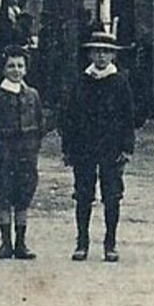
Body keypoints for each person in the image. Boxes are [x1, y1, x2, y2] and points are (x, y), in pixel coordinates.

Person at [59, 30, 136, 263]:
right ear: (90, 54)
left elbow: (128, 117)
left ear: (113, 56)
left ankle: (110, 243)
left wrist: (127, 148)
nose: (101, 56)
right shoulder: (81, 81)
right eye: (97, 51)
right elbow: (69, 116)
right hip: (84, 147)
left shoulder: (121, 82)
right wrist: (68, 148)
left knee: (111, 196)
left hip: (111, 148)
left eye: (107, 52)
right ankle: (82, 242)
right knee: (83, 195)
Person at [0, 46, 44, 261]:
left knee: (23, 195)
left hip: (27, 154)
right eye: (11, 66)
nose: (16, 70)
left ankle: (21, 243)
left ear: (26, 69)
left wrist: (33, 143)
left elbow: (40, 122)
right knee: (3, 195)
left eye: (20, 66)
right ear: (3, 69)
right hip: (5, 153)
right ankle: (5, 243)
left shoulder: (33, 95)